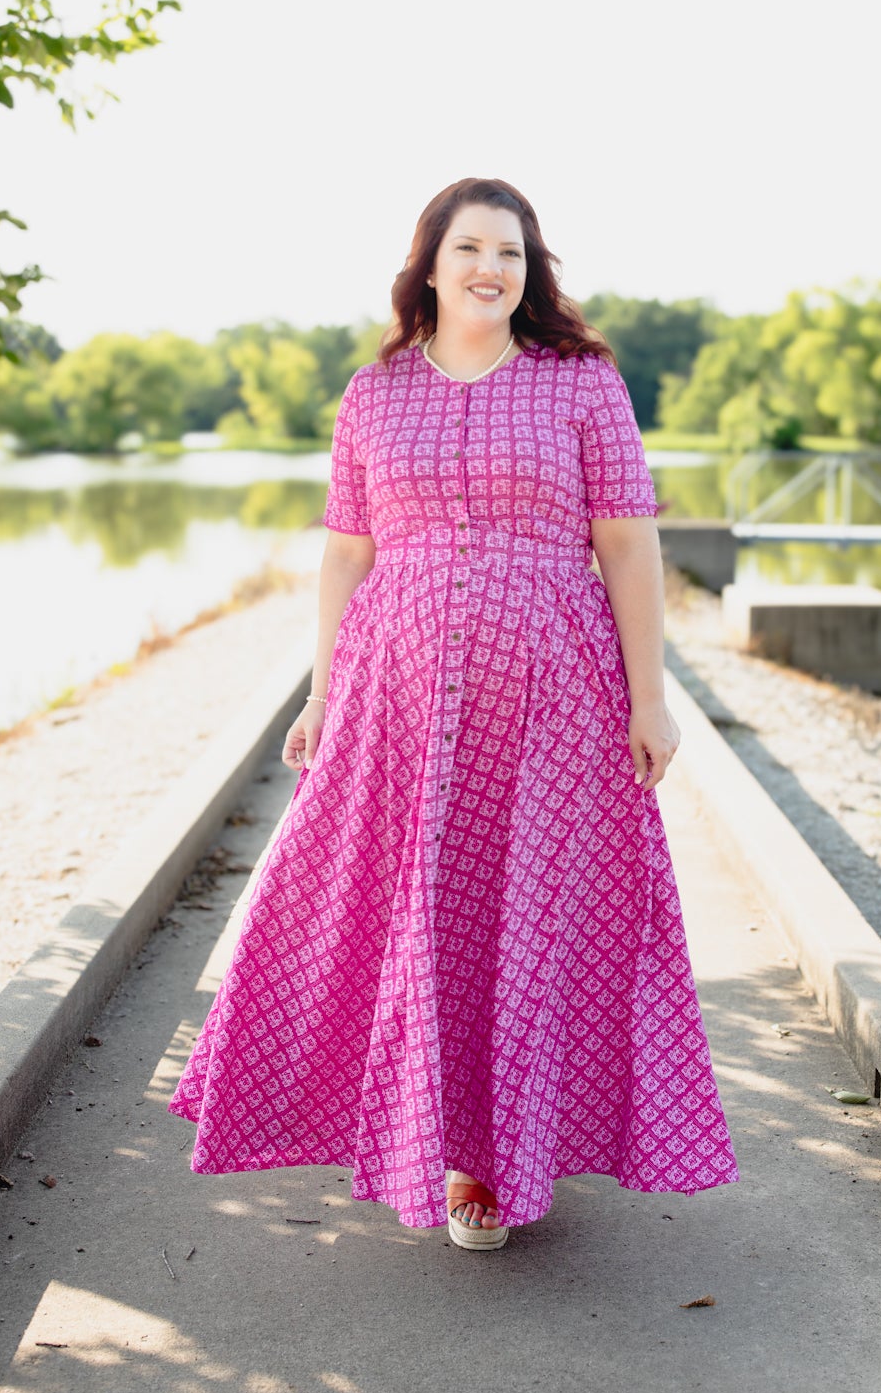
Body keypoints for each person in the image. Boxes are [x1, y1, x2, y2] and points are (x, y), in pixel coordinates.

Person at [169, 177, 738, 1248]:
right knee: (397, 905)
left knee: (527, 914)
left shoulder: (581, 383)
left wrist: (652, 696)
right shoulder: (373, 393)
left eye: (513, 253)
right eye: (472, 247)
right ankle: (409, 1130)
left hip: (554, 695)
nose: (493, 267)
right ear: (429, 263)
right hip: (401, 696)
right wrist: (322, 691)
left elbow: (626, 540)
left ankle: (492, 1155)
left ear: (532, 274)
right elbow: (346, 552)